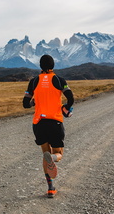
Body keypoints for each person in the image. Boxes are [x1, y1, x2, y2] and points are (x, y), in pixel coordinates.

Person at [23, 54, 74, 198]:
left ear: (40, 66)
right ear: (53, 65)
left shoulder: (33, 82)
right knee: (58, 154)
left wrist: (35, 102)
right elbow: (71, 98)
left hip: (39, 123)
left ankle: (50, 187)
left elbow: (25, 104)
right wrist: (66, 108)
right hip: (55, 122)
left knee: (44, 155)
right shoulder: (59, 80)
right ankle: (53, 157)